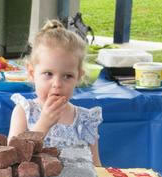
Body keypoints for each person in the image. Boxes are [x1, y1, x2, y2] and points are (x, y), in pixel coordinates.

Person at [8, 19, 102, 166]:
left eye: (67, 76)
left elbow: (96, 166)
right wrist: (43, 124)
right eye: (48, 74)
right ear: (32, 73)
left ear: (78, 77)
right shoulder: (24, 112)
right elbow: (12, 159)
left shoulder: (86, 120)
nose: (57, 84)